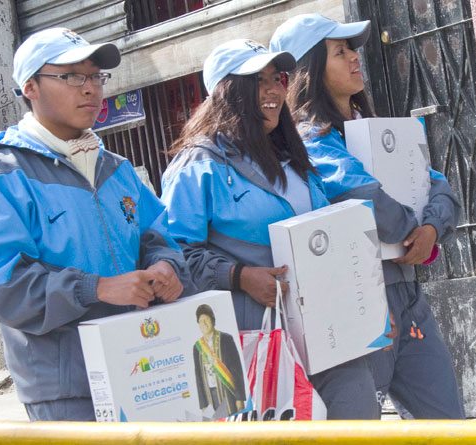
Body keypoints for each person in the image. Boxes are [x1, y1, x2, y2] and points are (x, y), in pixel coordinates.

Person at [0, 28, 189, 421]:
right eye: (71, 76)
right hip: (67, 388)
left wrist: (166, 265)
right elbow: (4, 290)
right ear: (30, 87)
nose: (90, 88)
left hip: (144, 365)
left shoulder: (116, 169)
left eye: (96, 76)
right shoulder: (2, 178)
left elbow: (158, 235)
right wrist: (95, 287)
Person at [161, 39, 379, 419]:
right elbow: (175, 253)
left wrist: (367, 315)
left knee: (360, 422)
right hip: (256, 341)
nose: (274, 90)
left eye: (276, 79)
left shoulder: (293, 155)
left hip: (329, 331)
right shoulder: (197, 165)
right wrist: (239, 276)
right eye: (258, 81)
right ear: (227, 92)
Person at [270, 13, 465, 419]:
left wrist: (431, 228)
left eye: (352, 50)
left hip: (409, 295)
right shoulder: (310, 141)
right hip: (359, 298)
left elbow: (440, 185)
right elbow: (364, 196)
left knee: (448, 421)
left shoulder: (375, 130)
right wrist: (416, 229)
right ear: (311, 69)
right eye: (340, 52)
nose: (355, 58)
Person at [193, 304, 246, 418]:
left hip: (228, 393)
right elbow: (198, 377)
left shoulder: (226, 339)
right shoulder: (197, 347)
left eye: (206, 320)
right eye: (201, 321)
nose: (204, 324)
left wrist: (240, 398)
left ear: (213, 320)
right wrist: (203, 405)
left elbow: (237, 369)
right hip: (210, 395)